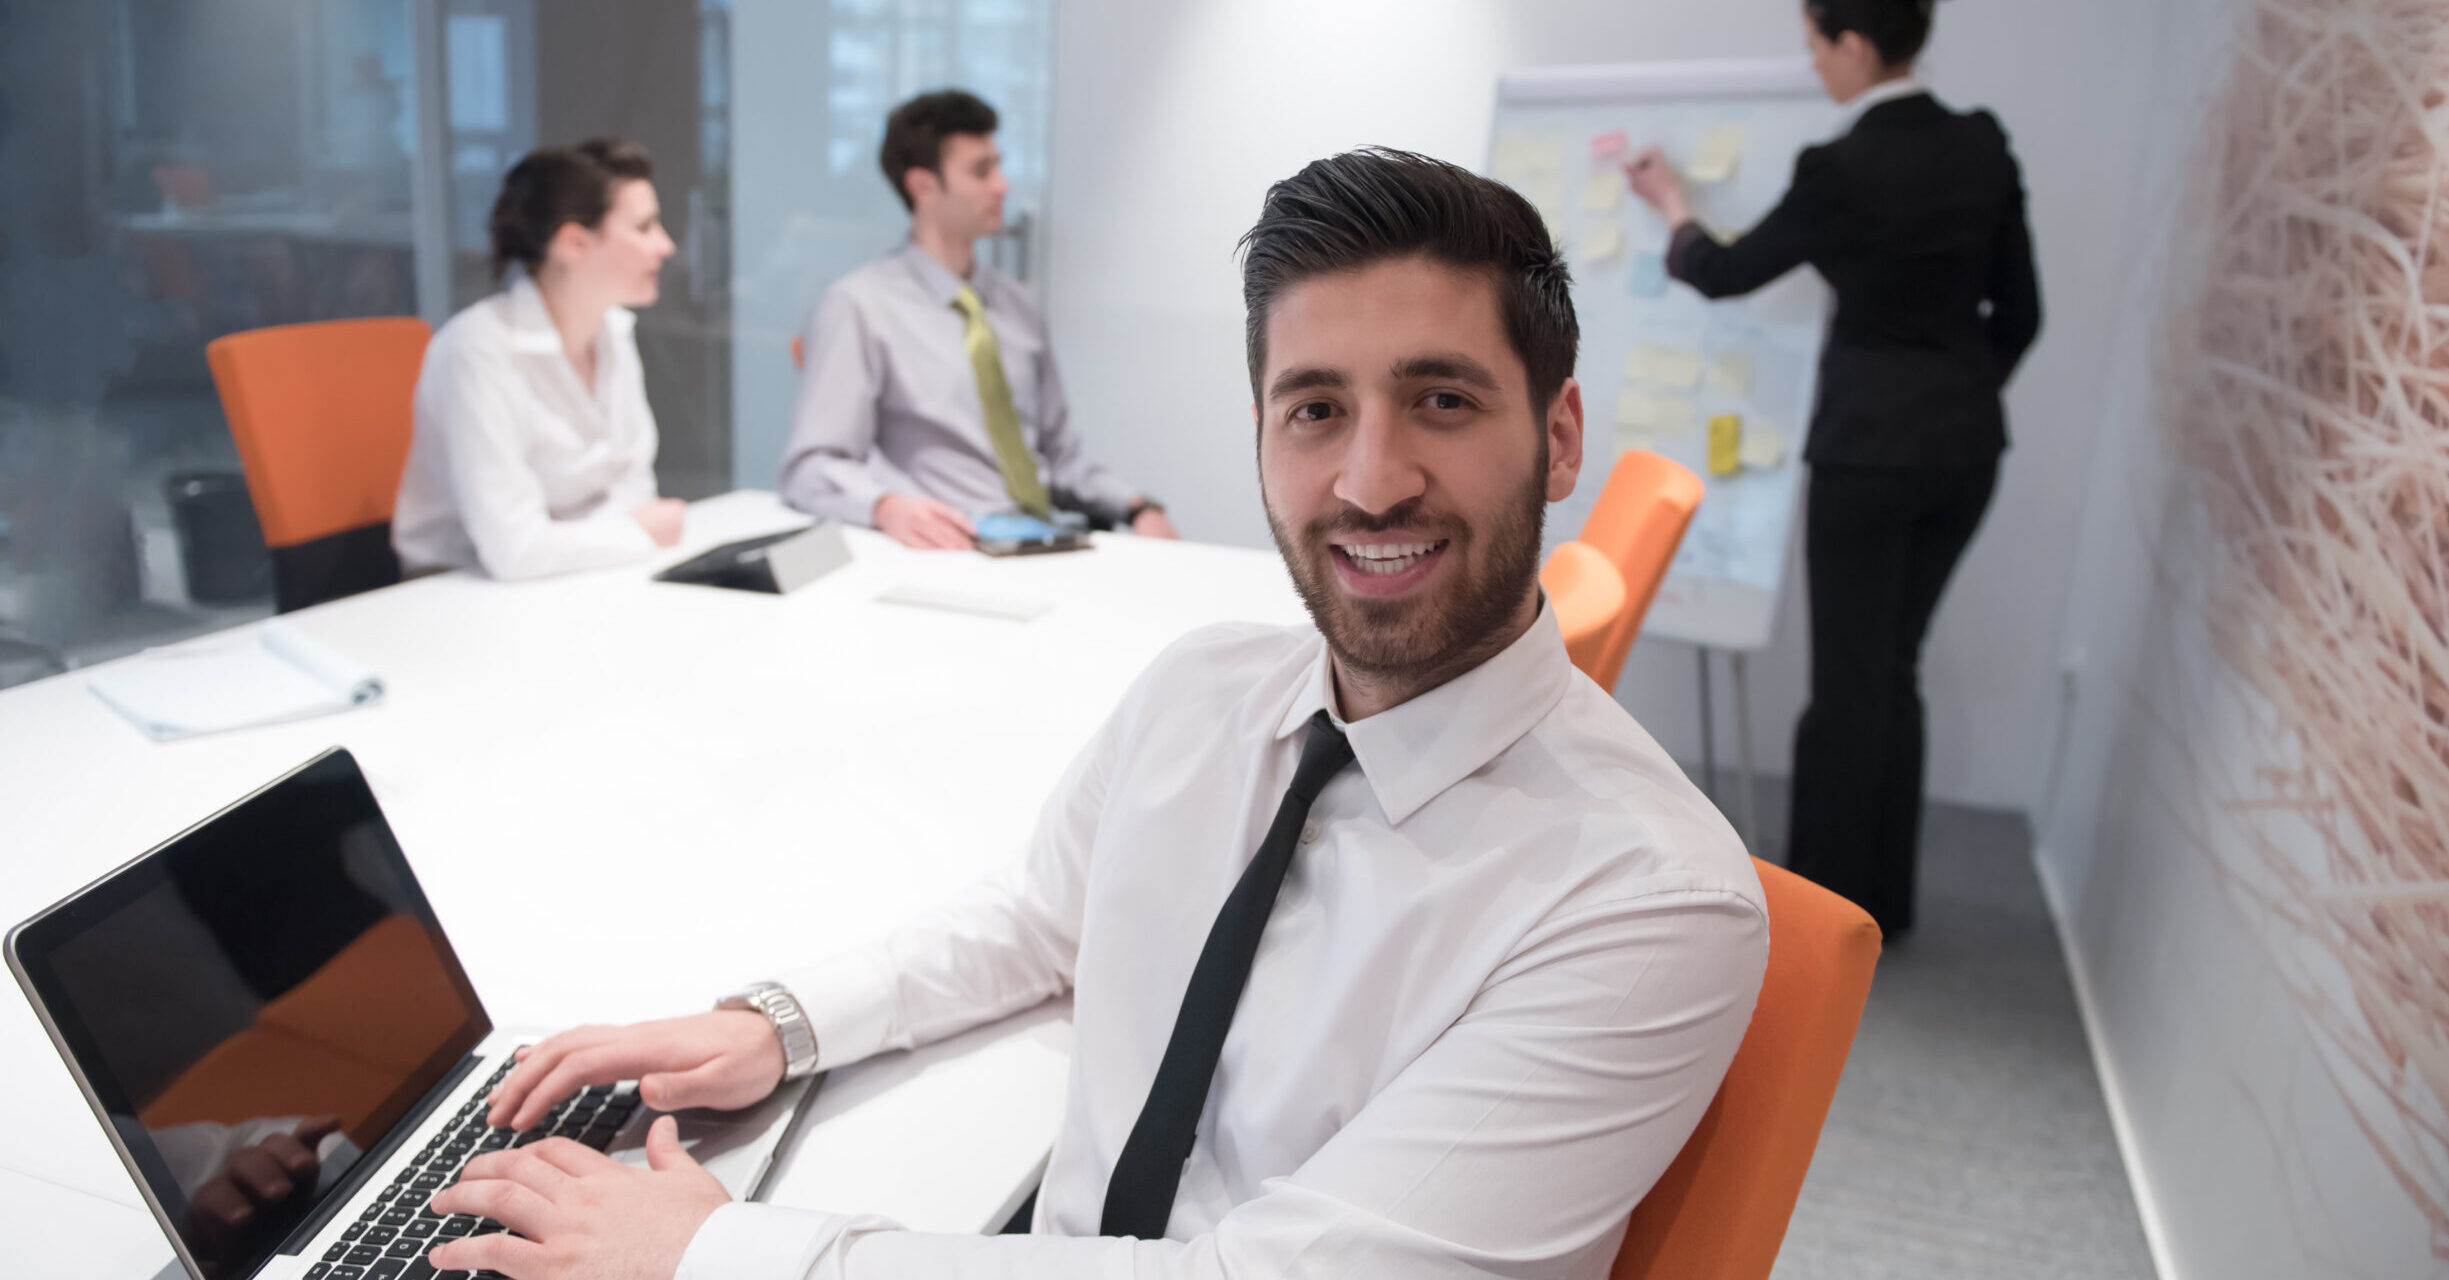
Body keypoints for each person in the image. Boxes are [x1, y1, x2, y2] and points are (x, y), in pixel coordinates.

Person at [419, 148, 1768, 1280]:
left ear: (1563, 433)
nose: (1369, 480)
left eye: (1441, 399)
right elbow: (1041, 914)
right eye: (1314, 409)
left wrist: (729, 1256)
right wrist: (777, 1024)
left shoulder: (1644, 897)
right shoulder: (1206, 692)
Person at [1625, 0, 2041, 938]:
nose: (1811, 65)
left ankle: (1821, 920)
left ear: (1853, 44)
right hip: (1967, 451)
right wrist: (1956, 392)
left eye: (1815, 45)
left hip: (1866, 453)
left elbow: (1726, 272)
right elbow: (2022, 316)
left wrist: (1674, 207)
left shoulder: (1843, 168)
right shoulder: (1982, 145)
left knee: (1847, 686)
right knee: (1895, 670)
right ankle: (1883, 906)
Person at [779, 90, 1178, 549]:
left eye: (999, 166)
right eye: (981, 171)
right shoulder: (858, 306)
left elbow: (1060, 460)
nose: (1002, 185)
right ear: (922, 186)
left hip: (1046, 540)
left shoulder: (1017, 307)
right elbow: (810, 467)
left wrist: (1138, 506)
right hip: (948, 547)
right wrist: (886, 506)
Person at [395, 139, 687, 581]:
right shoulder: (479, 349)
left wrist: (598, 538)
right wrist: (634, 532)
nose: (665, 245)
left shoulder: (614, 332)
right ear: (574, 242)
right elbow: (514, 550)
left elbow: (634, 491)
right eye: (644, 228)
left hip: (572, 578)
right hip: (456, 591)